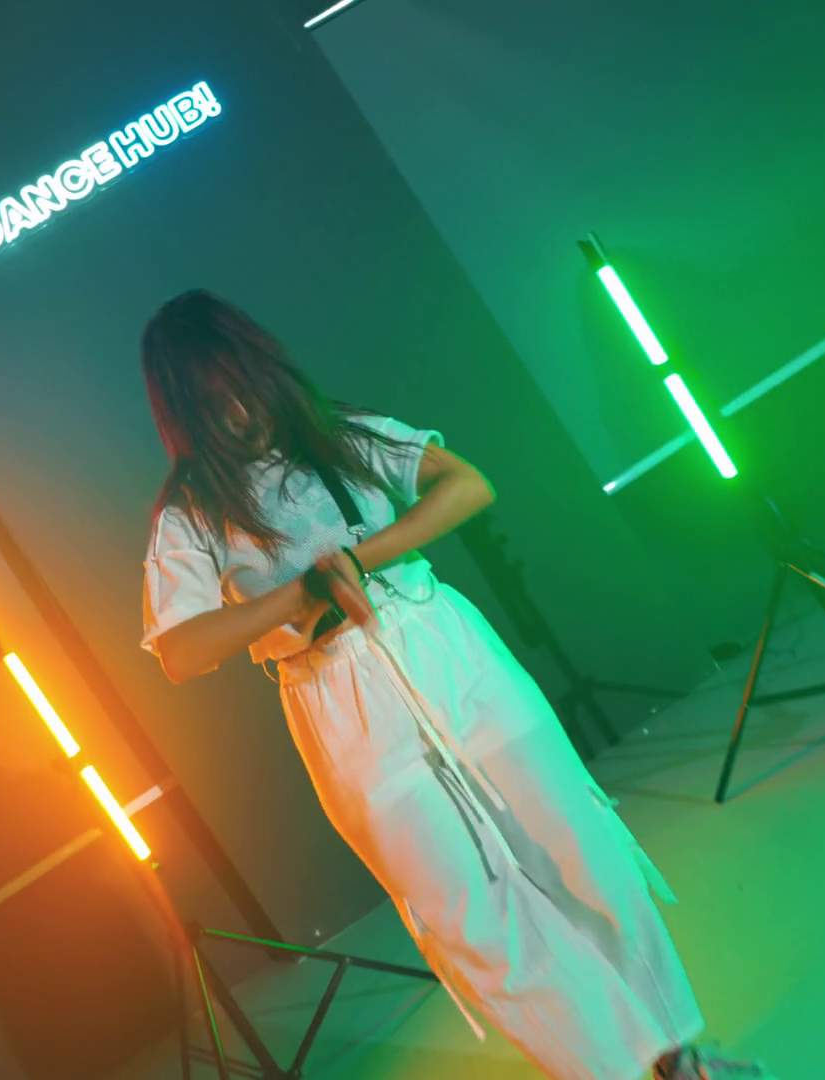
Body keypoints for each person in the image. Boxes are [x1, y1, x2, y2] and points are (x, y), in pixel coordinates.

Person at [137, 290, 772, 1080]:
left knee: (581, 845)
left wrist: (358, 560)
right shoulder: (192, 512)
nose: (238, 414)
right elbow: (182, 651)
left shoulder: (337, 435)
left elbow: (468, 485)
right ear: (184, 415)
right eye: (212, 404)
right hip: (335, 698)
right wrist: (303, 594)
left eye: (241, 387)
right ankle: (631, 1068)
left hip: (441, 641)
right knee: (468, 912)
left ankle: (678, 1054)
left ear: (263, 369)